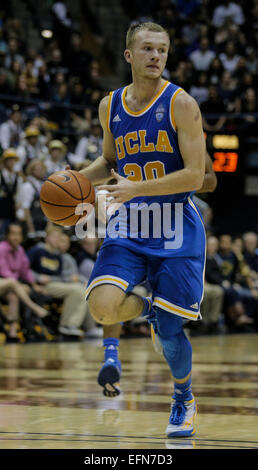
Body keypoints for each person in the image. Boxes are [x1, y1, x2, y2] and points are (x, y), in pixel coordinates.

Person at [71, 22, 207, 437]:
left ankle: (183, 396)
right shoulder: (109, 105)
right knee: (102, 306)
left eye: (162, 50)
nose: (156, 57)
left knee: (169, 331)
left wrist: (137, 188)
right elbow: (110, 161)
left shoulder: (182, 105)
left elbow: (196, 177)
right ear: (129, 55)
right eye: (147, 49)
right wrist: (73, 179)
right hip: (131, 224)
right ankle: (148, 307)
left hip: (174, 227)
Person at [27, 226, 89, 337]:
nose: (57, 240)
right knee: (77, 290)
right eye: (54, 237)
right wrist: (36, 279)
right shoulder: (37, 250)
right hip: (40, 285)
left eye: (58, 237)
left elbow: (58, 277)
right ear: (47, 238)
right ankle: (67, 324)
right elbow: (25, 269)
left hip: (54, 284)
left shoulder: (57, 256)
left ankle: (80, 325)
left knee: (82, 288)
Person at [0, 223, 48, 338]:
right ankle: (33, 307)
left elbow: (25, 270)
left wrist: (33, 284)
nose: (16, 237)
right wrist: (20, 286)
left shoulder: (20, 250)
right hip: (4, 282)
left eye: (18, 234)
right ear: (7, 235)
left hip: (9, 287)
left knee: (14, 297)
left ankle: (12, 333)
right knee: (13, 283)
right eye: (13, 234)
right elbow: (4, 271)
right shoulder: (2, 248)